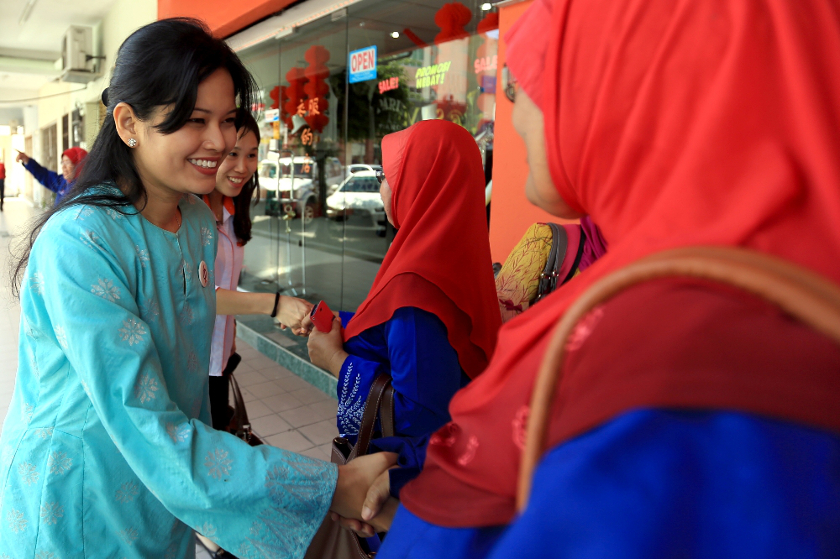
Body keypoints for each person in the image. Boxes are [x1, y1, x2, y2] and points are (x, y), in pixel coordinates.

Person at [354, 0, 840, 557]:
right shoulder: (684, 295)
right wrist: (414, 467)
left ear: (616, 84)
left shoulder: (676, 359)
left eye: (527, 83)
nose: (514, 116)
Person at [0, 18, 393, 559]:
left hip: (163, 495)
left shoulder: (195, 223)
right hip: (81, 500)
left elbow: (183, 376)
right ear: (129, 122)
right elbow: (143, 420)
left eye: (228, 120)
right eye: (193, 120)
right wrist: (326, 486)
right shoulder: (82, 240)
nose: (221, 142)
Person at [306, 119, 502, 497]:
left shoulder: (416, 289)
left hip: (410, 487)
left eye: (389, 174)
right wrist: (343, 329)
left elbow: (416, 415)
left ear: (422, 183)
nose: (382, 188)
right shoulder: (458, 259)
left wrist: (334, 361)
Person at [206, 110, 313, 431]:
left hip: (220, 359)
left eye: (252, 155)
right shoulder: (184, 216)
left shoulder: (231, 210)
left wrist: (230, 334)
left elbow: (225, 287)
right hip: (190, 365)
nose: (243, 167)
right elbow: (197, 295)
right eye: (232, 154)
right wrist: (277, 305)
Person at [15, 146, 87, 205]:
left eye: (67, 162)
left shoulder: (85, 191)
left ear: (79, 164)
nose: (63, 167)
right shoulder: (64, 182)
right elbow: (46, 176)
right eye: (62, 162)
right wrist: (27, 161)